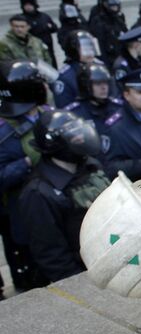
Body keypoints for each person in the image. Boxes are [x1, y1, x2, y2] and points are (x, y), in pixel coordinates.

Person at [18, 110, 109, 283]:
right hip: (84, 276)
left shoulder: (91, 166)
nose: (81, 138)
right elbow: (53, 257)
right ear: (55, 144)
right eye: (73, 136)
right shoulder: (38, 193)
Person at [0, 59, 50, 292]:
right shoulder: (4, 133)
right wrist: (27, 162)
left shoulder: (48, 115)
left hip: (53, 209)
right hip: (22, 213)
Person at [65, 63, 122, 137]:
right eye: (98, 83)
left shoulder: (119, 107)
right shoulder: (75, 113)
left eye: (105, 82)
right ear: (85, 85)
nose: (104, 87)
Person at [19, 0, 58, 67]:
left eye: (30, 5)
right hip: (33, 53)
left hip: (48, 50)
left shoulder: (44, 16)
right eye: (26, 5)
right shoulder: (21, 19)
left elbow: (54, 28)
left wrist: (49, 27)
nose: (28, 7)